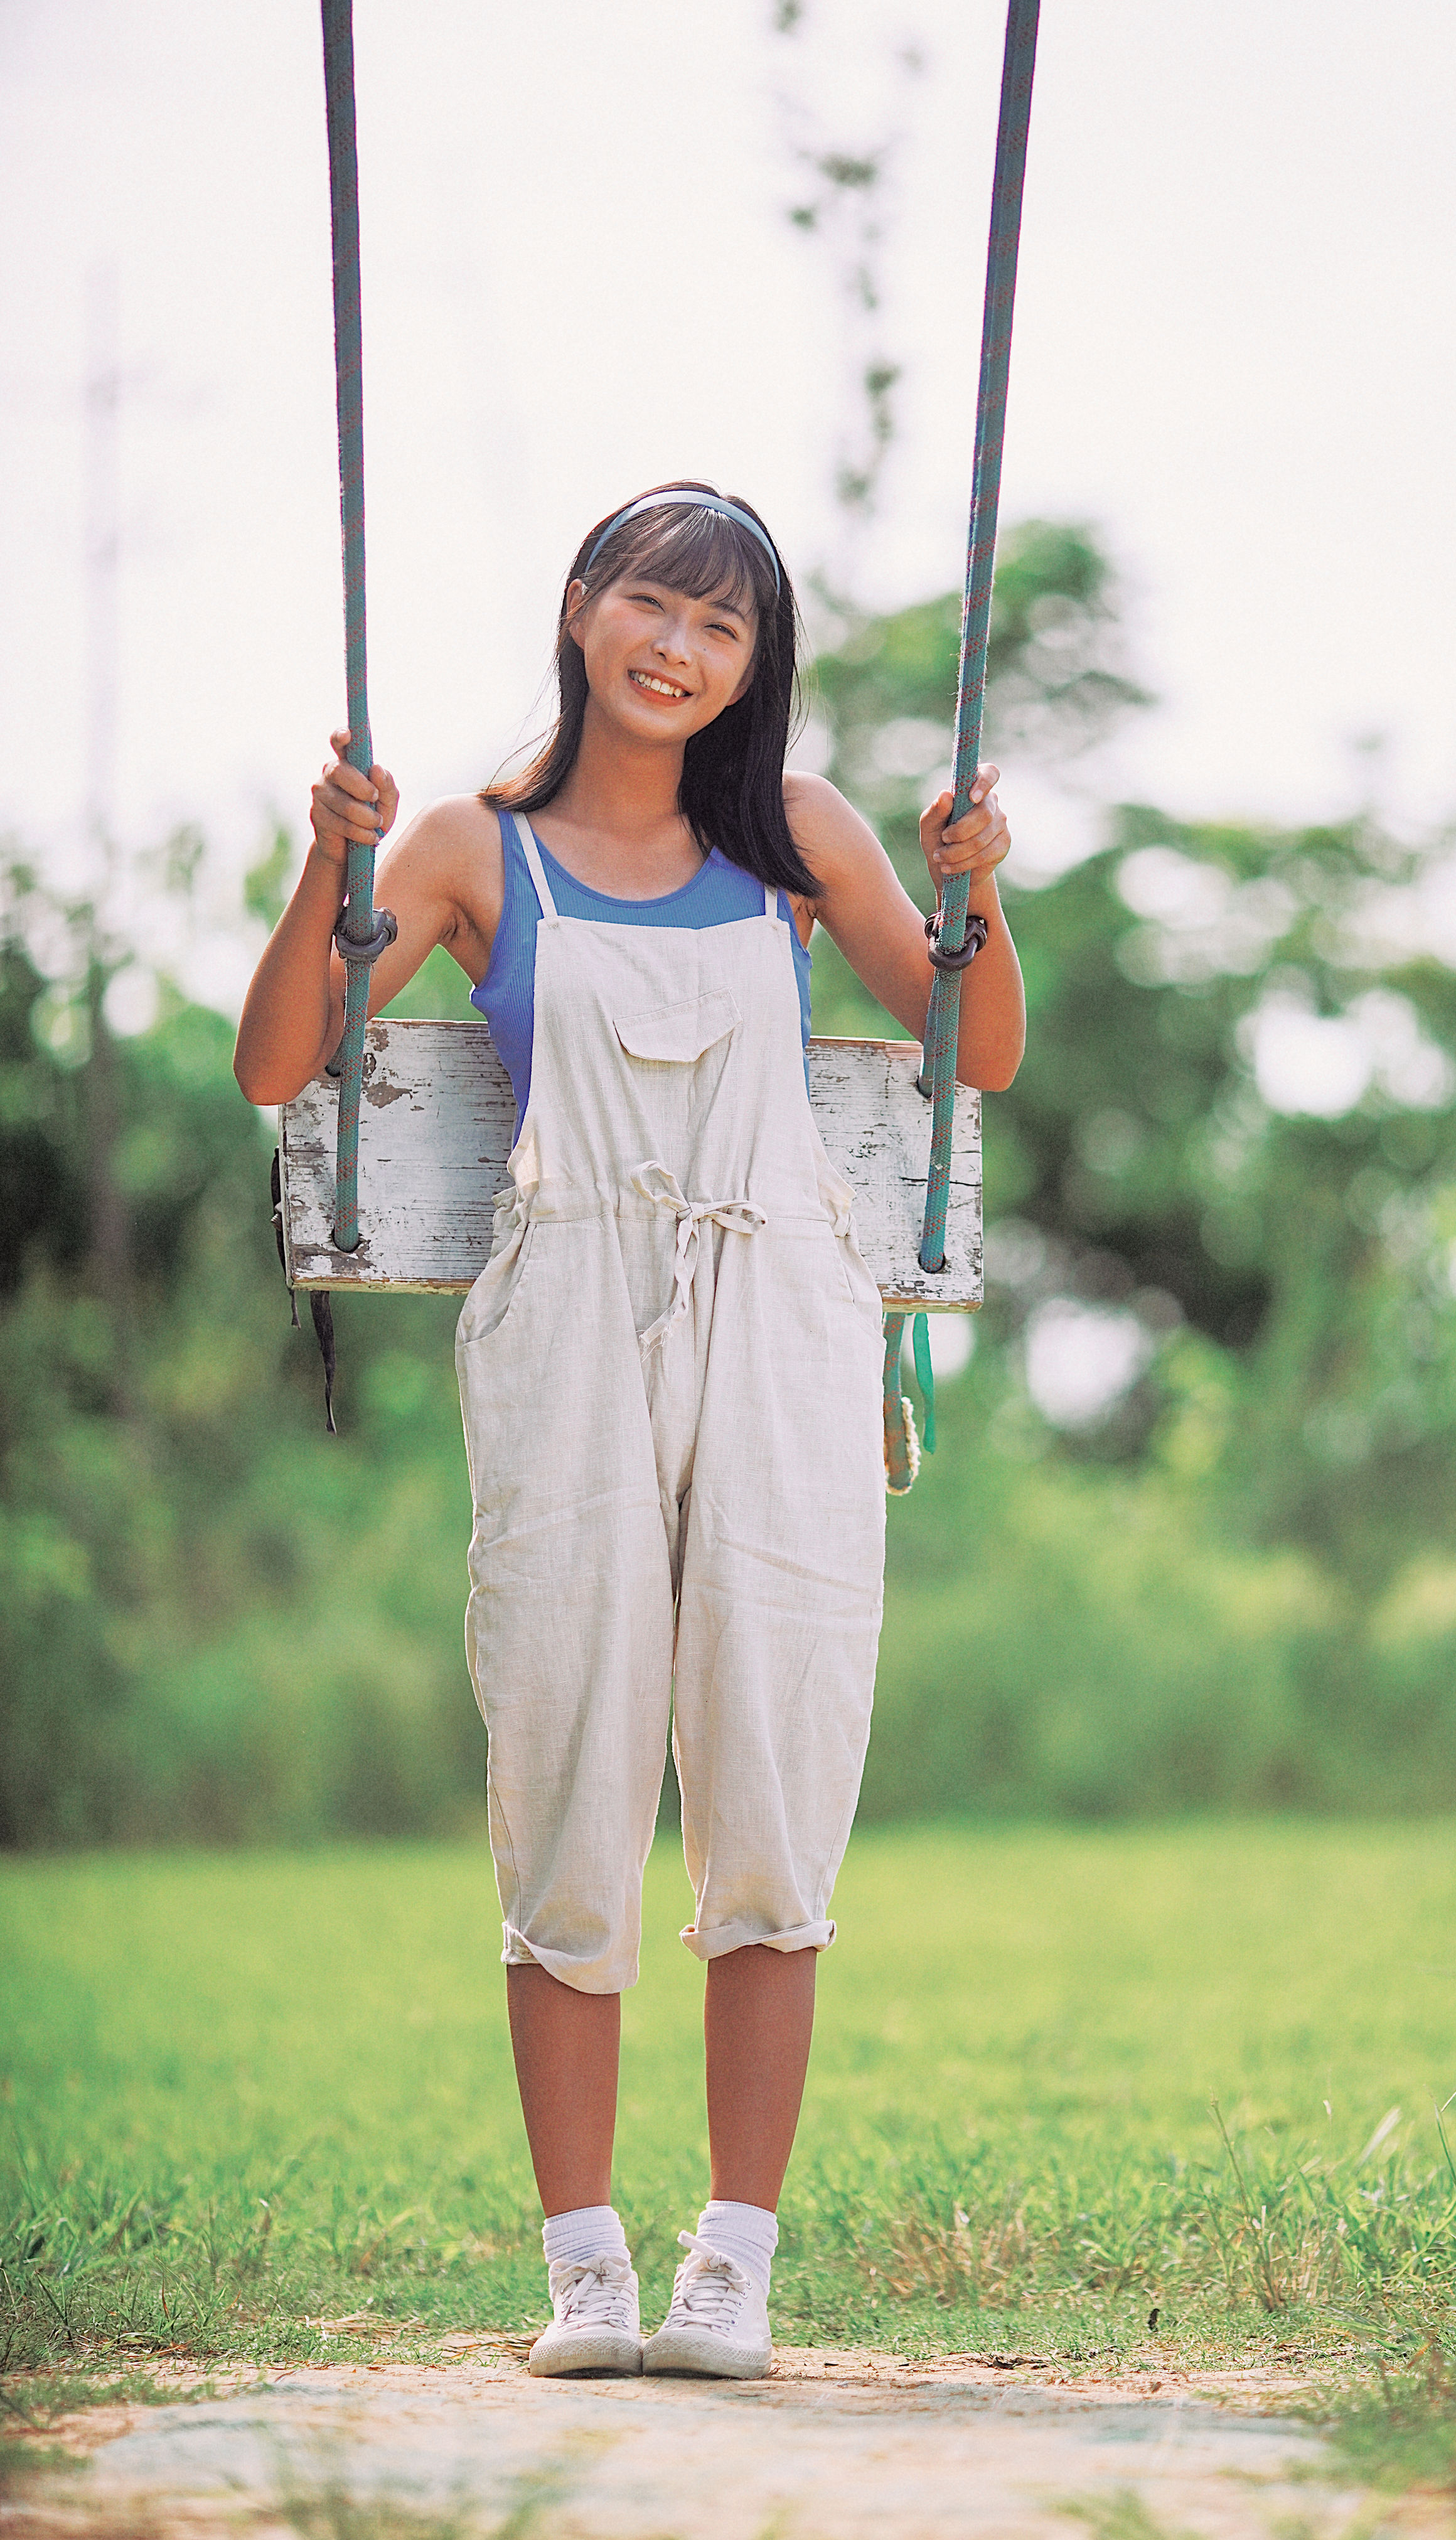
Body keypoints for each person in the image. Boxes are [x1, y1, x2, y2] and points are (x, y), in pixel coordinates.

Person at [234, 481, 1025, 2379]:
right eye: (652, 607)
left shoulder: (794, 838)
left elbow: (971, 1048)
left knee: (770, 1765)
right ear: (583, 609)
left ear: (756, 666)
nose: (680, 650)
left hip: (783, 1326)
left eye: (723, 628)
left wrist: (976, 887)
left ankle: (730, 2260)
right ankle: (585, 2262)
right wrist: (323, 869)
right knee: (571, 1774)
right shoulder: (470, 847)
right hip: (570, 1321)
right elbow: (277, 1067)